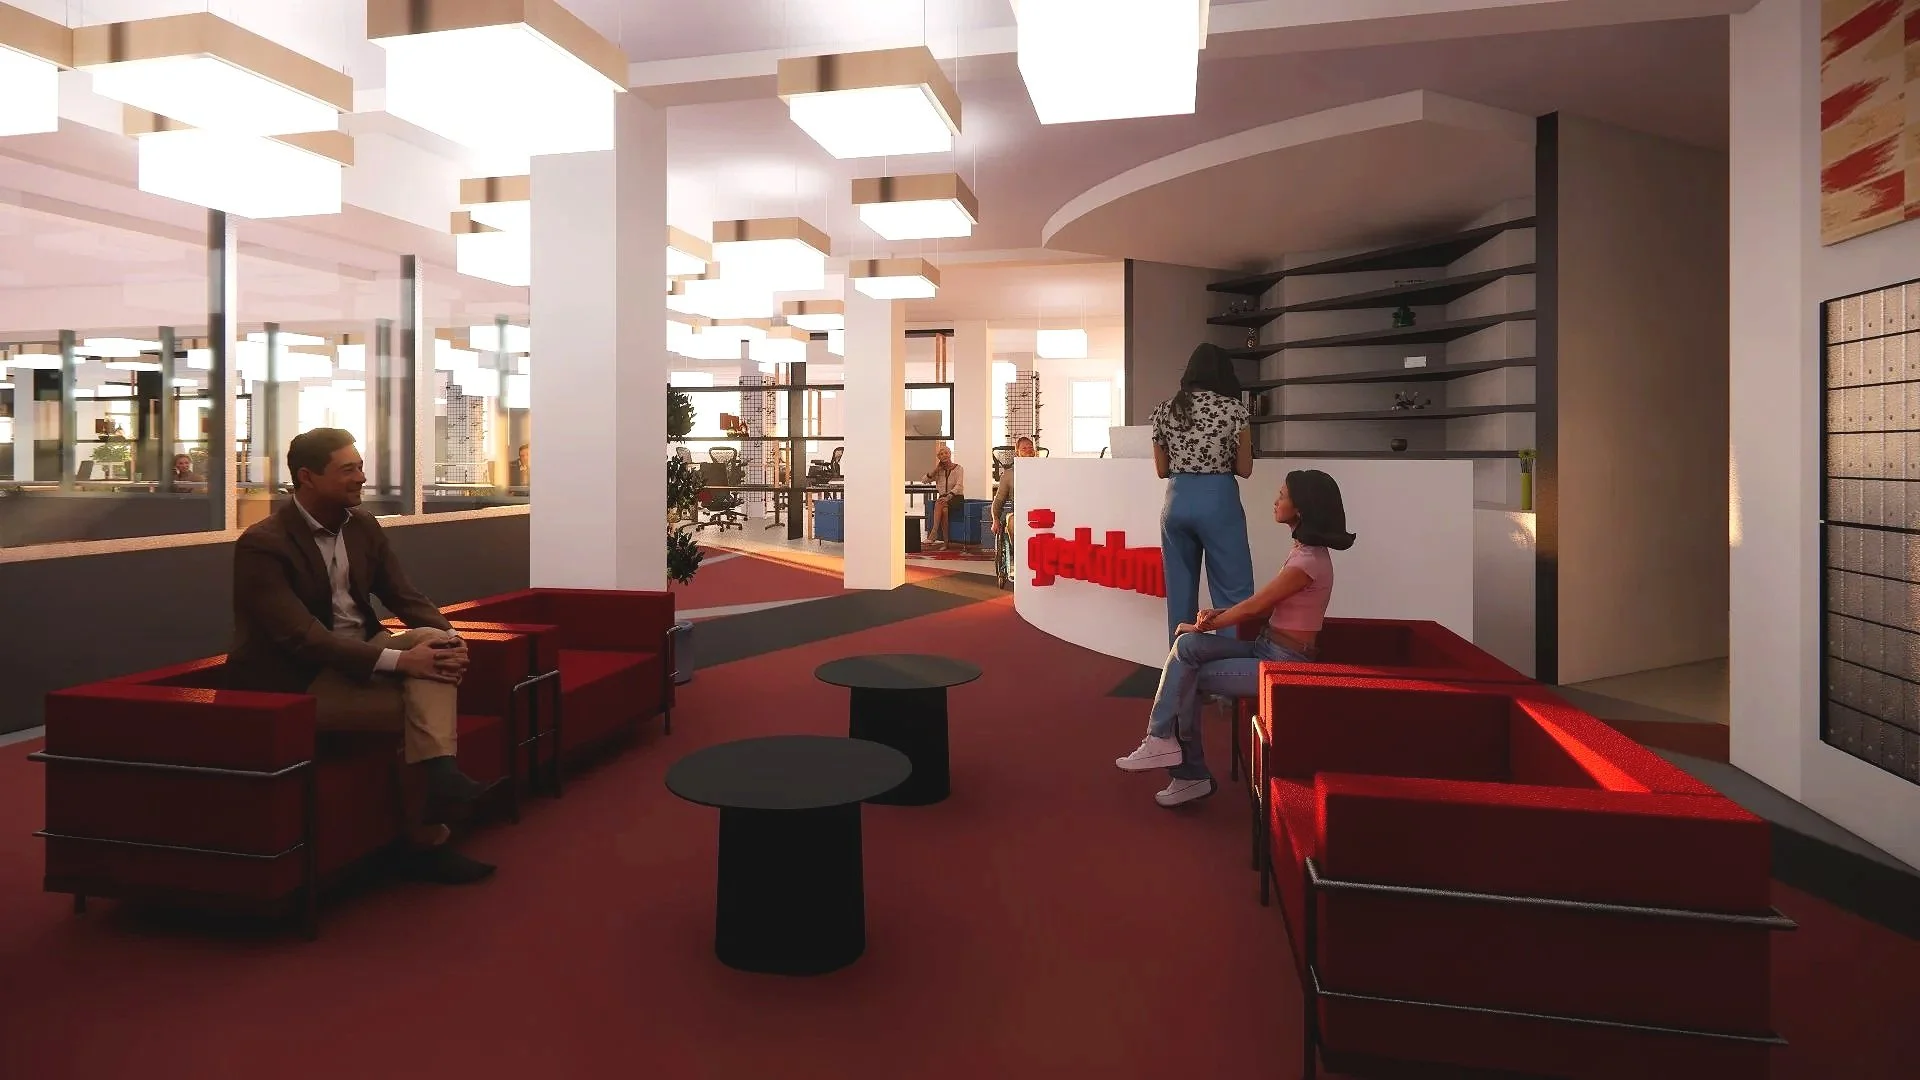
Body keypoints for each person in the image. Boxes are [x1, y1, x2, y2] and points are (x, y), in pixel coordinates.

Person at [226, 427, 495, 884]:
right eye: (348, 470)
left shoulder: (363, 525)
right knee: (418, 707)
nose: (361, 478)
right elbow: (304, 638)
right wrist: (400, 663)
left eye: (361, 467)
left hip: (362, 654)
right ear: (307, 478)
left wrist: (452, 638)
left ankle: (440, 777)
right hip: (299, 680)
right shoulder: (263, 544)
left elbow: (402, 594)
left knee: (430, 638)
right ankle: (427, 833)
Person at [1115, 470, 1355, 807]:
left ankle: (1189, 773)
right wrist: (1213, 619)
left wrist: (1209, 624)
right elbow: (1259, 607)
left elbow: (1258, 605)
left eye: (1283, 495)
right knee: (1186, 647)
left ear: (1301, 508)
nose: (1275, 501)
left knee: (1188, 673)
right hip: (1267, 648)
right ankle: (1162, 740)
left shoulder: (1308, 562)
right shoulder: (1302, 552)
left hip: (1284, 663)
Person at [1149, 342, 1255, 645]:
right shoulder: (1234, 409)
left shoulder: (1166, 409)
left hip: (1177, 500)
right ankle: (1229, 674)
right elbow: (1245, 468)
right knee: (1232, 592)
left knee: (1180, 592)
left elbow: (1161, 469)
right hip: (1218, 499)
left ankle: (1180, 670)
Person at [989, 435, 1036, 588]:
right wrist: (995, 519)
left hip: (1040, 513)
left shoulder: (1044, 469)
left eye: (1031, 448)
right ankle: (1021, 559)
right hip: (1018, 514)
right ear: (1017, 453)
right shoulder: (1009, 475)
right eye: (1024, 448)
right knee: (1014, 522)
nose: (1029, 451)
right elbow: (999, 501)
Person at [920, 442, 965, 548]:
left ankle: (934, 532)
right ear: (938, 457)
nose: (944, 455)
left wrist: (949, 496)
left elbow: (959, 486)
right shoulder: (939, 471)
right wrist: (935, 470)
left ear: (949, 454)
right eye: (941, 454)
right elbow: (924, 480)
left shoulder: (958, 468)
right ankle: (945, 543)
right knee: (944, 509)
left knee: (940, 503)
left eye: (946, 453)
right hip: (943, 500)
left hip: (955, 497)